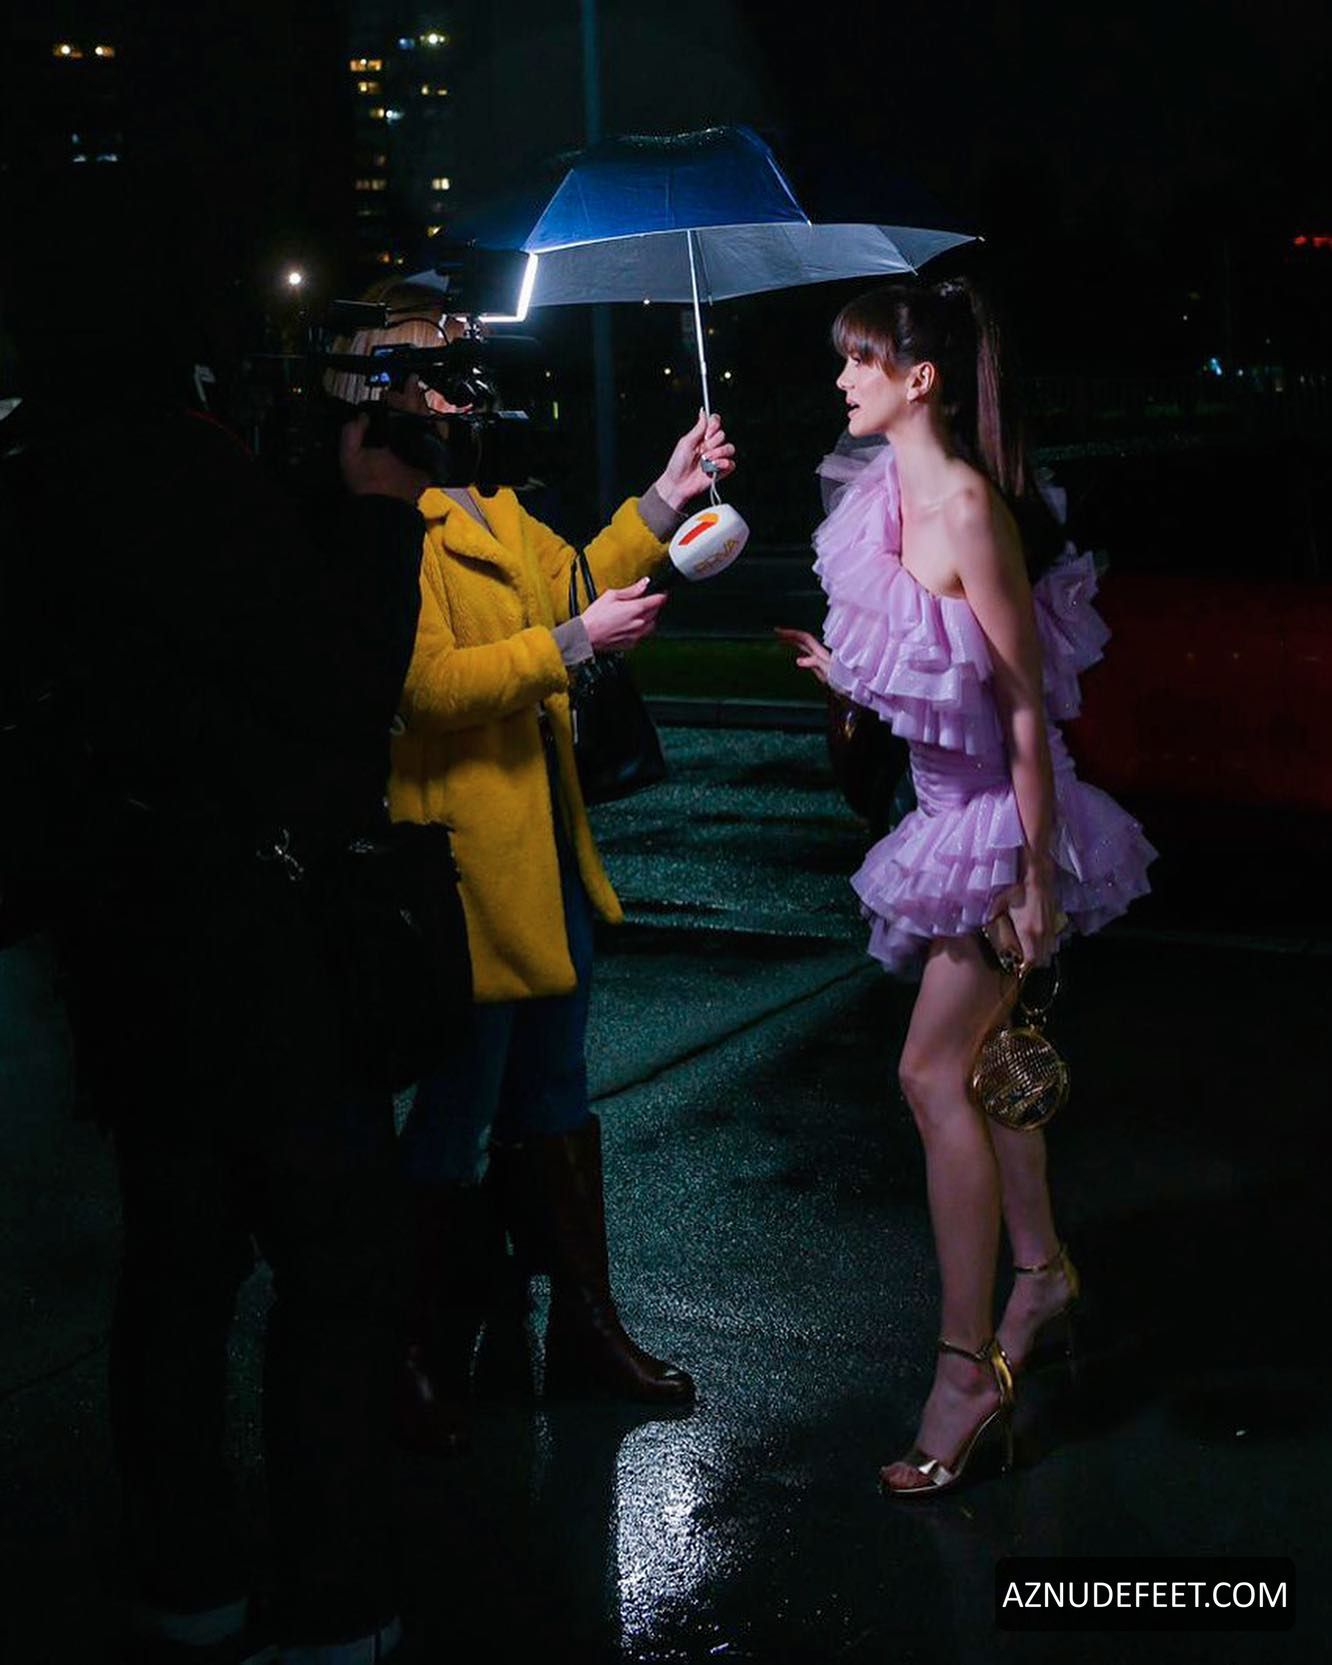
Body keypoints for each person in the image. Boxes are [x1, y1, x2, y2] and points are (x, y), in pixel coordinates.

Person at [19, 327, 433, 1659]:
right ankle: (333, 1598)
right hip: (259, 948)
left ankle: (186, 1575)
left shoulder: (48, 482)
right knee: (333, 1264)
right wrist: (380, 514)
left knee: (177, 1262)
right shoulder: (198, 484)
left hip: (121, 937)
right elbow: (337, 688)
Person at [779, 278, 1155, 1496]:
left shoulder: (967, 510)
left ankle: (965, 1372)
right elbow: (930, 666)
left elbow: (1025, 715)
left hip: (997, 829)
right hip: (942, 815)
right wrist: (848, 672)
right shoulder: (881, 498)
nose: (843, 380)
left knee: (929, 1074)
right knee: (985, 1075)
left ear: (920, 379)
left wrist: (1035, 879)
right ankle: (1040, 1275)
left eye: (861, 360)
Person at [346, 287, 737, 1448]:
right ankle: (408, 1351)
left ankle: (583, 1328)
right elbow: (422, 689)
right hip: (461, 872)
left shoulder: (500, 506)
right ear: (395, 391)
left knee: (555, 1096)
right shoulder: (396, 520)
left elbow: (579, 583)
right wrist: (572, 646)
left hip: (546, 854)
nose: (465, 384)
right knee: (459, 1110)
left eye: (465, 362)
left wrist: (665, 497)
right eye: (440, 368)